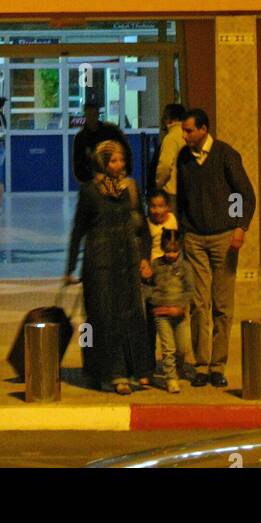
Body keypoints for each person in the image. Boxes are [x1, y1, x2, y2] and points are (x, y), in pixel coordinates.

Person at [66, 140, 154, 395]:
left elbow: (142, 225)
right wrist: (71, 266)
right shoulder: (90, 191)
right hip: (99, 262)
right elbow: (78, 230)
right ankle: (103, 372)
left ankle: (135, 370)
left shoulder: (130, 188)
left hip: (126, 259)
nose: (120, 165)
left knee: (130, 315)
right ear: (103, 162)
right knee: (100, 319)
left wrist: (145, 257)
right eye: (114, 160)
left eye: (122, 160)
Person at [176, 107, 256, 389]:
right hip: (194, 238)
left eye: (188, 130)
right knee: (199, 303)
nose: (184, 135)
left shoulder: (225, 155)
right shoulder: (184, 158)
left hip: (224, 236)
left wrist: (239, 227)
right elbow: (182, 197)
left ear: (203, 129)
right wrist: (183, 231)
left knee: (222, 304)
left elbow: (245, 194)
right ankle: (200, 364)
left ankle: (218, 365)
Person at [147, 228, 195, 394]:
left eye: (174, 251)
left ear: (180, 249)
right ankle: (171, 377)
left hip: (179, 314)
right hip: (162, 314)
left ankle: (179, 367)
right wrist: (155, 303)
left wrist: (180, 307)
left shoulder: (185, 268)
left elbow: (190, 290)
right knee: (168, 348)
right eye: (167, 251)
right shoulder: (156, 265)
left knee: (182, 347)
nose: (171, 255)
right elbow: (149, 287)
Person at [72, 101, 132, 184]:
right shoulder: (81, 138)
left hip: (113, 179)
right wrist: (90, 180)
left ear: (98, 115)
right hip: (92, 182)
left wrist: (123, 174)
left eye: (94, 114)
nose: (92, 118)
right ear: (85, 116)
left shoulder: (111, 132)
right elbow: (78, 165)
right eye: (89, 115)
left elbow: (125, 152)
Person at [152, 102, 187, 211]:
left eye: (165, 116)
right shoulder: (187, 134)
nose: (162, 119)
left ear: (171, 118)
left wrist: (158, 184)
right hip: (187, 189)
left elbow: (165, 166)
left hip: (171, 190)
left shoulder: (170, 138)